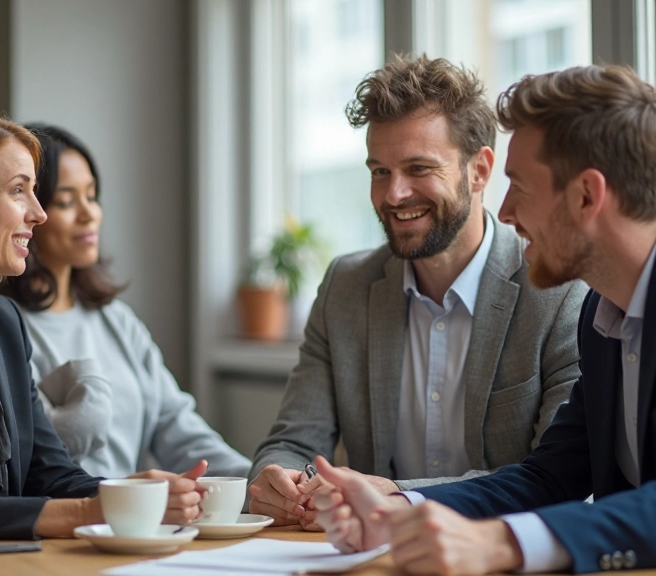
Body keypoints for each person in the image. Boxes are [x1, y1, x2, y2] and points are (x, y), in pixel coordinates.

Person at [313, 64, 656, 575]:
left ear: (586, 196)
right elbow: (549, 479)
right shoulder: (604, 312)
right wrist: (398, 511)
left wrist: (499, 544)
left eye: (520, 187)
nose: (504, 212)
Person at [248, 55, 587, 529]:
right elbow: (295, 440)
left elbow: (559, 482)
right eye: (379, 171)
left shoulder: (558, 293)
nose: (393, 195)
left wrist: (398, 497)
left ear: (480, 170)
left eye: (418, 168)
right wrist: (279, 479)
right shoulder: (345, 288)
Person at [0, 112, 206, 541]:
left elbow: (48, 473)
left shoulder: (3, 323)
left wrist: (128, 493)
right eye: (18, 191)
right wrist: (86, 512)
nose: (38, 214)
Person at [0, 124, 251, 479]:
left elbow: (175, 425)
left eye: (92, 195)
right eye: (67, 201)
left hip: (132, 523)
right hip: (68, 521)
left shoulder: (117, 321)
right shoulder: (2, 325)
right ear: (31, 210)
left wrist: (255, 480)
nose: (90, 214)